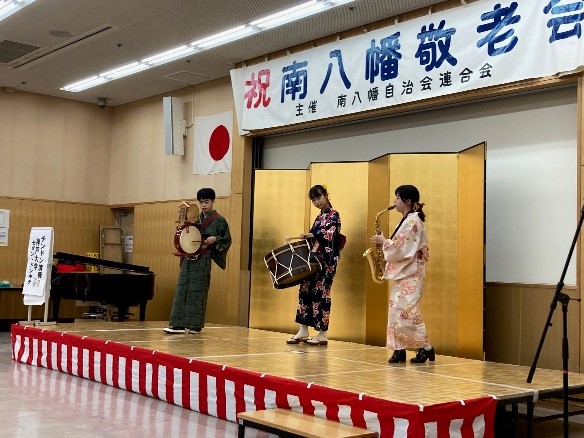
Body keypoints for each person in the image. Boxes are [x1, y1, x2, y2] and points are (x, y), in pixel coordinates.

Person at [370, 184, 433, 364]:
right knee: (396, 311)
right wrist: (385, 241)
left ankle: (426, 347)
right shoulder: (408, 219)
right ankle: (399, 350)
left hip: (412, 274)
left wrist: (384, 241)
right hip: (406, 273)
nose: (394, 202)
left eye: (397, 198)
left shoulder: (413, 221)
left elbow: (404, 249)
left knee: (407, 311)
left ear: (407, 201)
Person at [164, 187, 231, 334]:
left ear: (213, 201)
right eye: (201, 202)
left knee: (198, 291)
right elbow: (186, 235)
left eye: (206, 202)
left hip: (203, 259)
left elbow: (227, 240)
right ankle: (177, 324)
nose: (204, 205)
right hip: (189, 258)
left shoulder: (220, 221)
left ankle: (195, 325)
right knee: (182, 289)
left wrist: (216, 239)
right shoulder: (194, 218)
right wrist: (179, 232)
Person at [287, 184, 342, 346]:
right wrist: (308, 237)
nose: (316, 202)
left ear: (326, 195)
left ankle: (322, 333)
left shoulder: (334, 215)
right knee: (304, 291)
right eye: (313, 200)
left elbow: (330, 235)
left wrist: (311, 234)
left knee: (321, 294)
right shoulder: (319, 217)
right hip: (314, 260)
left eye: (318, 198)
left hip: (326, 261)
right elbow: (316, 237)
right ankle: (303, 329)